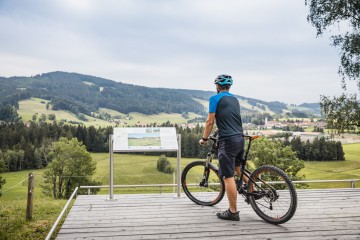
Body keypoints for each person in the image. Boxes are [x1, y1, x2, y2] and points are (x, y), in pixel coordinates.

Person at [199, 74, 244, 221]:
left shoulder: (215, 98)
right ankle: (253, 190)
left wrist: (205, 139)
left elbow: (209, 122)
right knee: (238, 168)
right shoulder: (235, 99)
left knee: (228, 176)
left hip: (228, 141)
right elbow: (231, 119)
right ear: (229, 87)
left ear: (218, 86)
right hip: (239, 138)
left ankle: (233, 212)